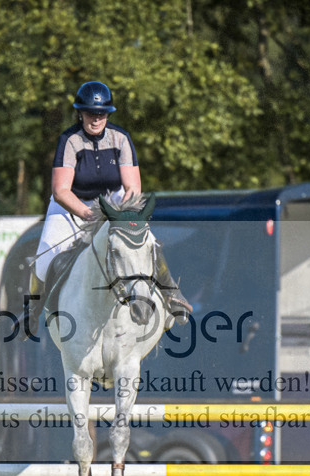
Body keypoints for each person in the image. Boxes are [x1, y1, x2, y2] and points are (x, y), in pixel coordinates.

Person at [24, 80, 191, 335]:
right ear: (80, 113)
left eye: (101, 113)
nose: (96, 118)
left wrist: (120, 214)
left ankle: (172, 295)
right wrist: (89, 215)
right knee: (44, 258)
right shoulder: (69, 140)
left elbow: (133, 187)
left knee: (149, 243)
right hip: (71, 206)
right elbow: (60, 191)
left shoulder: (120, 138)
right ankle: (31, 313)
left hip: (114, 205)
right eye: (90, 113)